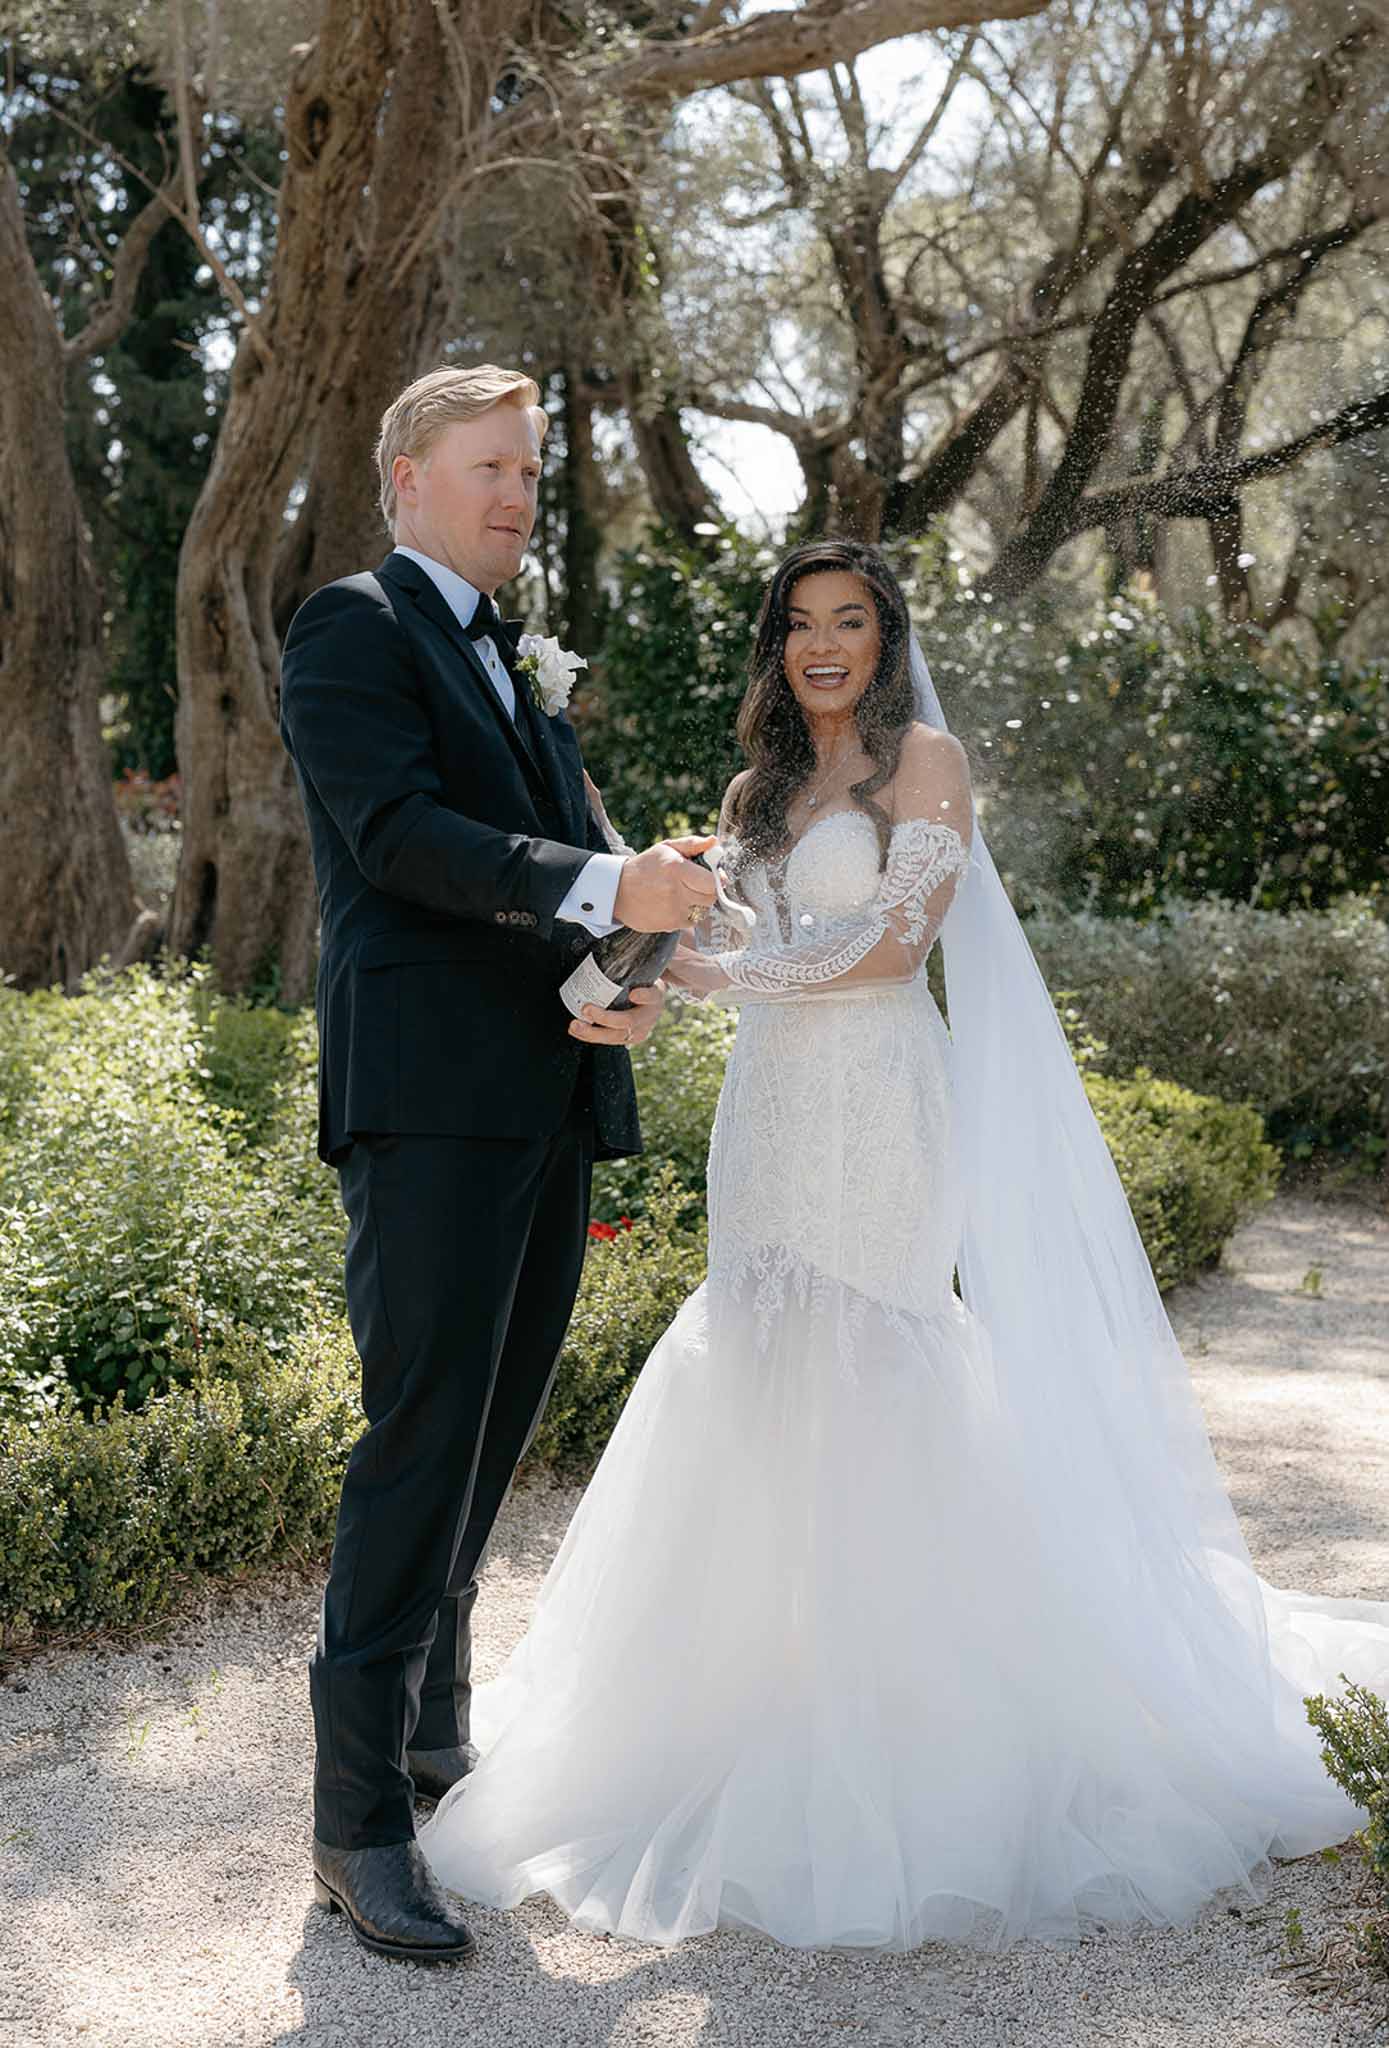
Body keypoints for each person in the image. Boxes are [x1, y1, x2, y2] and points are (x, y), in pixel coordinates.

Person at [419, 538, 1389, 1953]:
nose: (825, 646)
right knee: (759, 1349)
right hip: (766, 1111)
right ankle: (758, 1682)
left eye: (850, 622)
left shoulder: (921, 763)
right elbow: (740, 930)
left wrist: (727, 970)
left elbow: (885, 946)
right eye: (802, 624)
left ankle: (911, 1700)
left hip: (878, 1095)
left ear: (883, 638)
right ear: (778, 643)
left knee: (877, 1347)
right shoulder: (757, 788)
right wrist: (655, 970)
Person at [278, 364, 716, 1963]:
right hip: (428, 1103)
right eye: (488, 468)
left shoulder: (519, 665)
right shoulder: (356, 629)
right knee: (418, 1438)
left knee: (489, 1437)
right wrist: (604, 873)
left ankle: (433, 1743)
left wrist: (631, 958)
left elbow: (566, 878)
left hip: (539, 1096)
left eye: (530, 471)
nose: (518, 495)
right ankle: (355, 1825)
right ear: (405, 479)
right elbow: (396, 841)